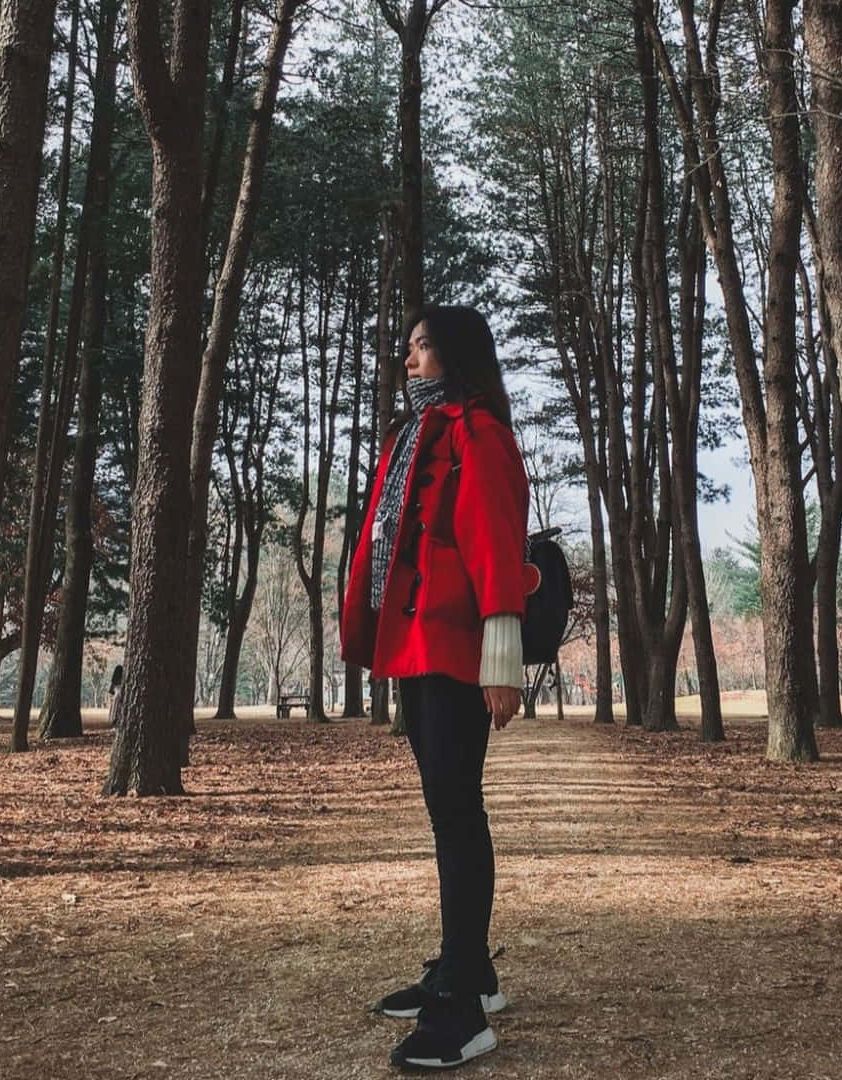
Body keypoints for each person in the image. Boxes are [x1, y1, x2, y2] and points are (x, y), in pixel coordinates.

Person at [341, 305, 533, 1070]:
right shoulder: (417, 434)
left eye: (423, 349)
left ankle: (463, 1013)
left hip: (460, 645)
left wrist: (503, 652)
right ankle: (468, 971)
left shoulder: (478, 432)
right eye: (408, 347)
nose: (410, 360)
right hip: (418, 642)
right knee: (444, 809)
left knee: (456, 811)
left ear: (457, 357)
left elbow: (496, 538)